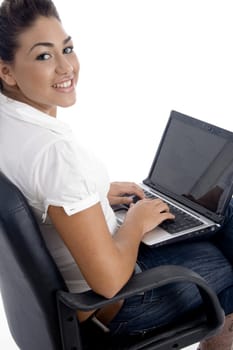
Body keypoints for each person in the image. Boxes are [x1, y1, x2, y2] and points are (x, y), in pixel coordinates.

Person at [0, 1, 233, 349]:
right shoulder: (57, 154)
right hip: (115, 307)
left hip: (67, 294)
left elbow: (41, 196)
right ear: (6, 71)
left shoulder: (9, 124)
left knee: (220, 214)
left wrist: (92, 197)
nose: (66, 67)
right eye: (44, 56)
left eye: (68, 48)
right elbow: (109, 283)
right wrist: (135, 223)